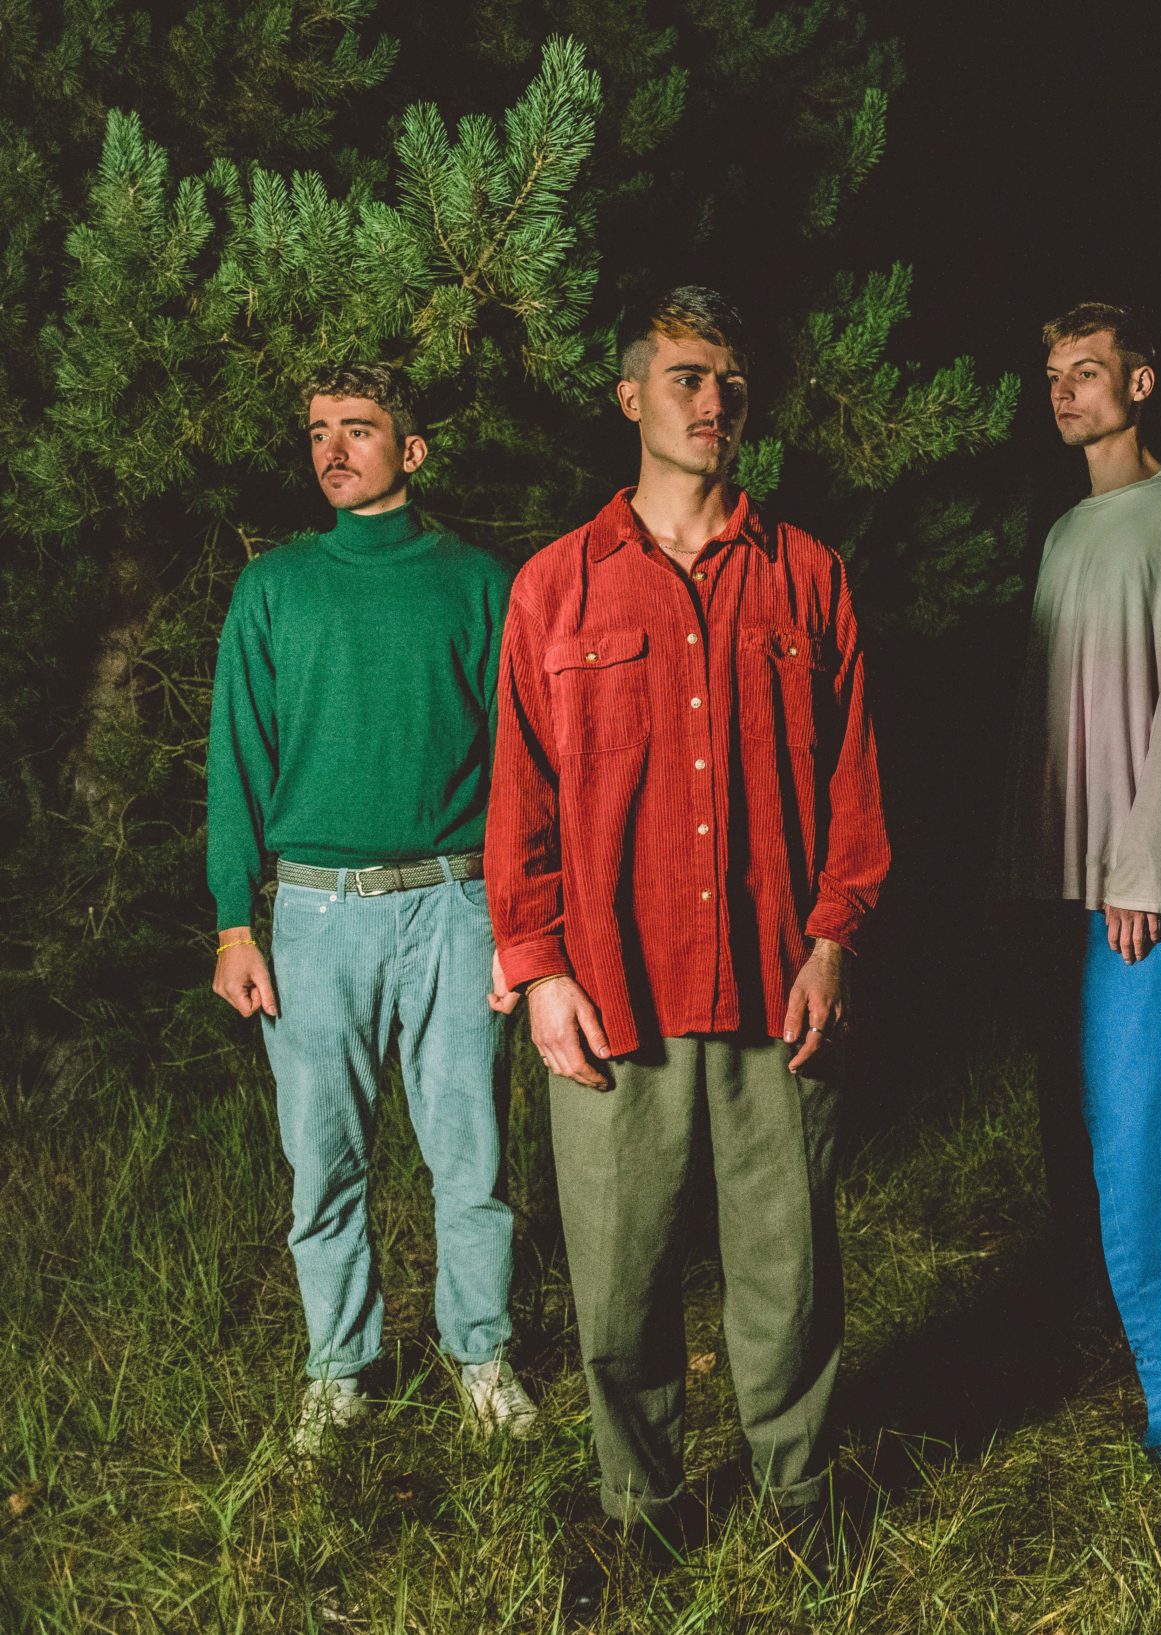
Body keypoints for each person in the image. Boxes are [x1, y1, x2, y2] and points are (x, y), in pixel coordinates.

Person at [486, 286, 887, 1577]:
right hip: (616, 994)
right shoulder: (555, 586)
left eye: (730, 382)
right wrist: (538, 968)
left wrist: (833, 939)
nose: (715, 402)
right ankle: (640, 1512)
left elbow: (853, 786)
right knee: (619, 1280)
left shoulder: (806, 573)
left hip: (779, 988)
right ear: (631, 398)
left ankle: (799, 1496)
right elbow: (520, 798)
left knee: (789, 1270)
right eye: (686, 378)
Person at [207, 362, 534, 1455]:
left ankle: (480, 1356)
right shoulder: (275, 587)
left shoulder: (479, 584)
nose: (333, 450)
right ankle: (339, 1369)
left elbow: (521, 766)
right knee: (324, 1159)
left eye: (358, 428)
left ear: (413, 450)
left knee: (470, 1155)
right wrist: (234, 922)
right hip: (315, 913)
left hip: (455, 903)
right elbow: (235, 760)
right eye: (317, 432)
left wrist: (520, 926)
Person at [999, 300, 1161, 1462]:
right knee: (1092, 1126)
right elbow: (1046, 713)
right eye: (1054, 373)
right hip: (1064, 879)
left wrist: (1146, 869)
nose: (1065, 390)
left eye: (1088, 371)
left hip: (1138, 889)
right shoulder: (1065, 533)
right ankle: (1120, 1345)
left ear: (1140, 384)